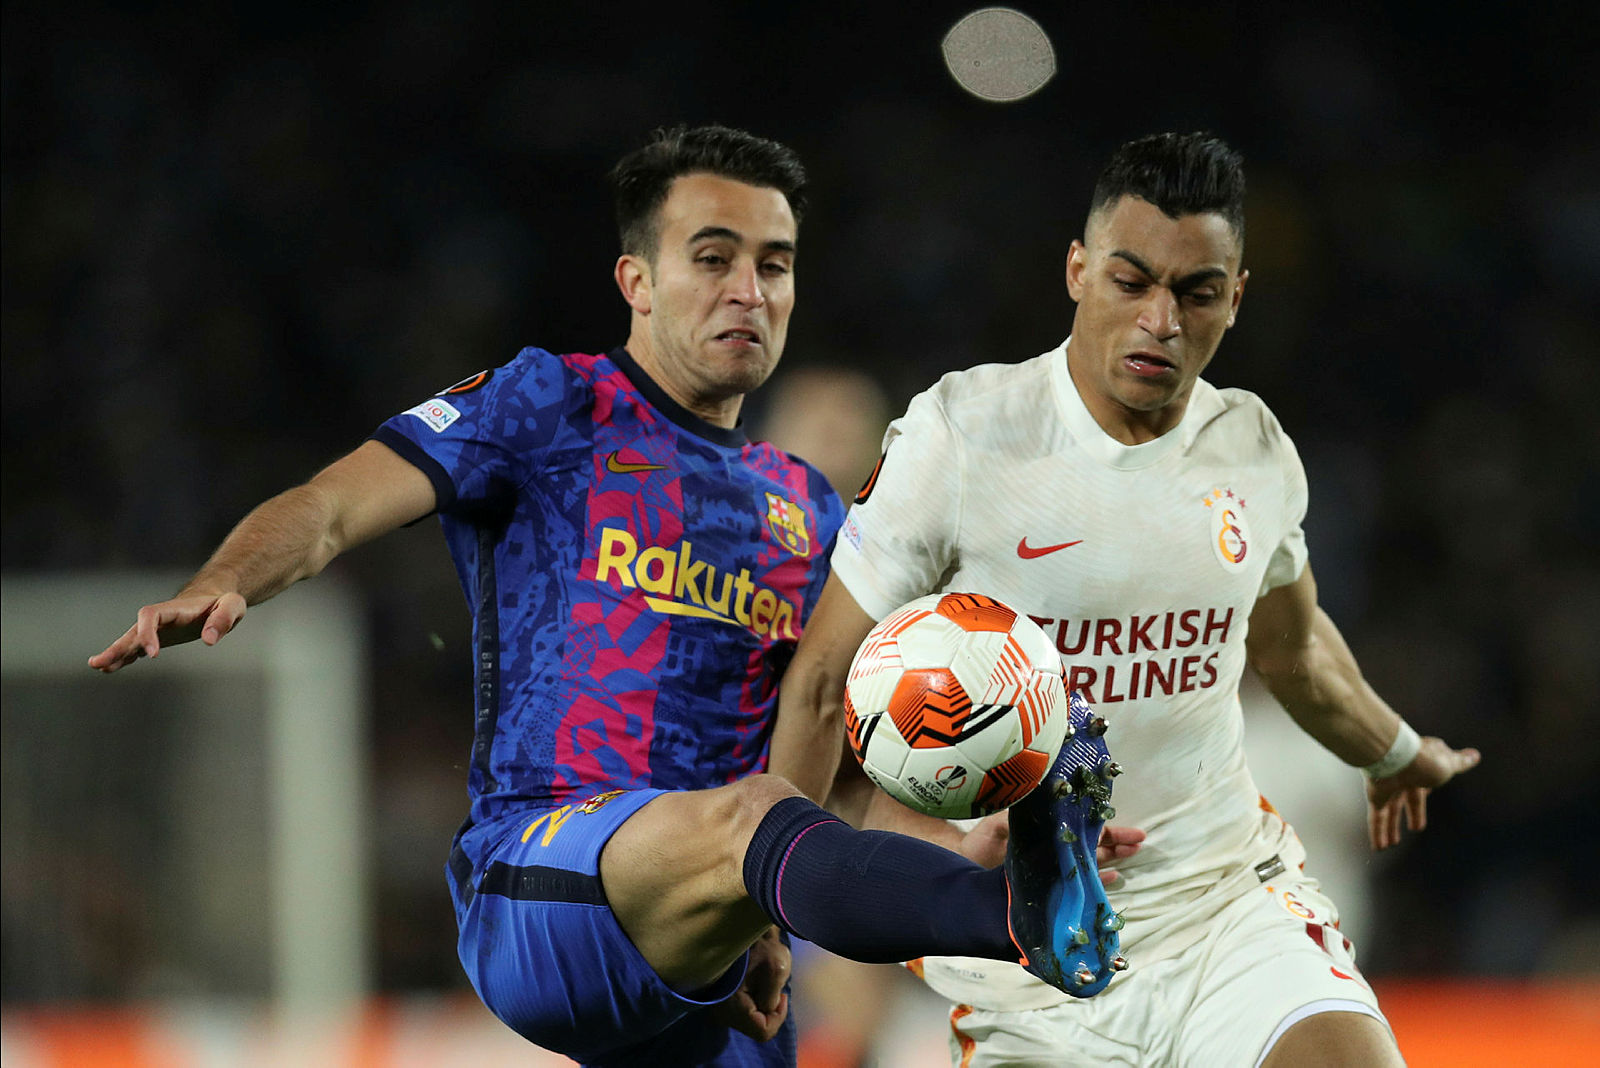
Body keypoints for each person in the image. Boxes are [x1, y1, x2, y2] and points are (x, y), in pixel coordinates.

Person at [87, 124, 1121, 1068]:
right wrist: (224, 579)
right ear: (638, 279)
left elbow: (845, 781)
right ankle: (1015, 916)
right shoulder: (552, 405)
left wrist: (950, 843)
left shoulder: (810, 511)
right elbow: (328, 509)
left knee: (766, 819)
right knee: (756, 813)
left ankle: (1009, 884)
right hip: (542, 882)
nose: (748, 291)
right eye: (712, 258)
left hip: (717, 944)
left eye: (774, 265)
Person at [779, 131, 1481, 1067]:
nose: (1161, 320)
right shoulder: (964, 437)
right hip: (1023, 947)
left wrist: (1393, 751)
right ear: (1078, 270)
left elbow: (1294, 647)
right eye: (1131, 281)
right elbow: (821, 687)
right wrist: (773, 914)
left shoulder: (1252, 449)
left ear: (1235, 298)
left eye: (1196, 293)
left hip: (1223, 911)